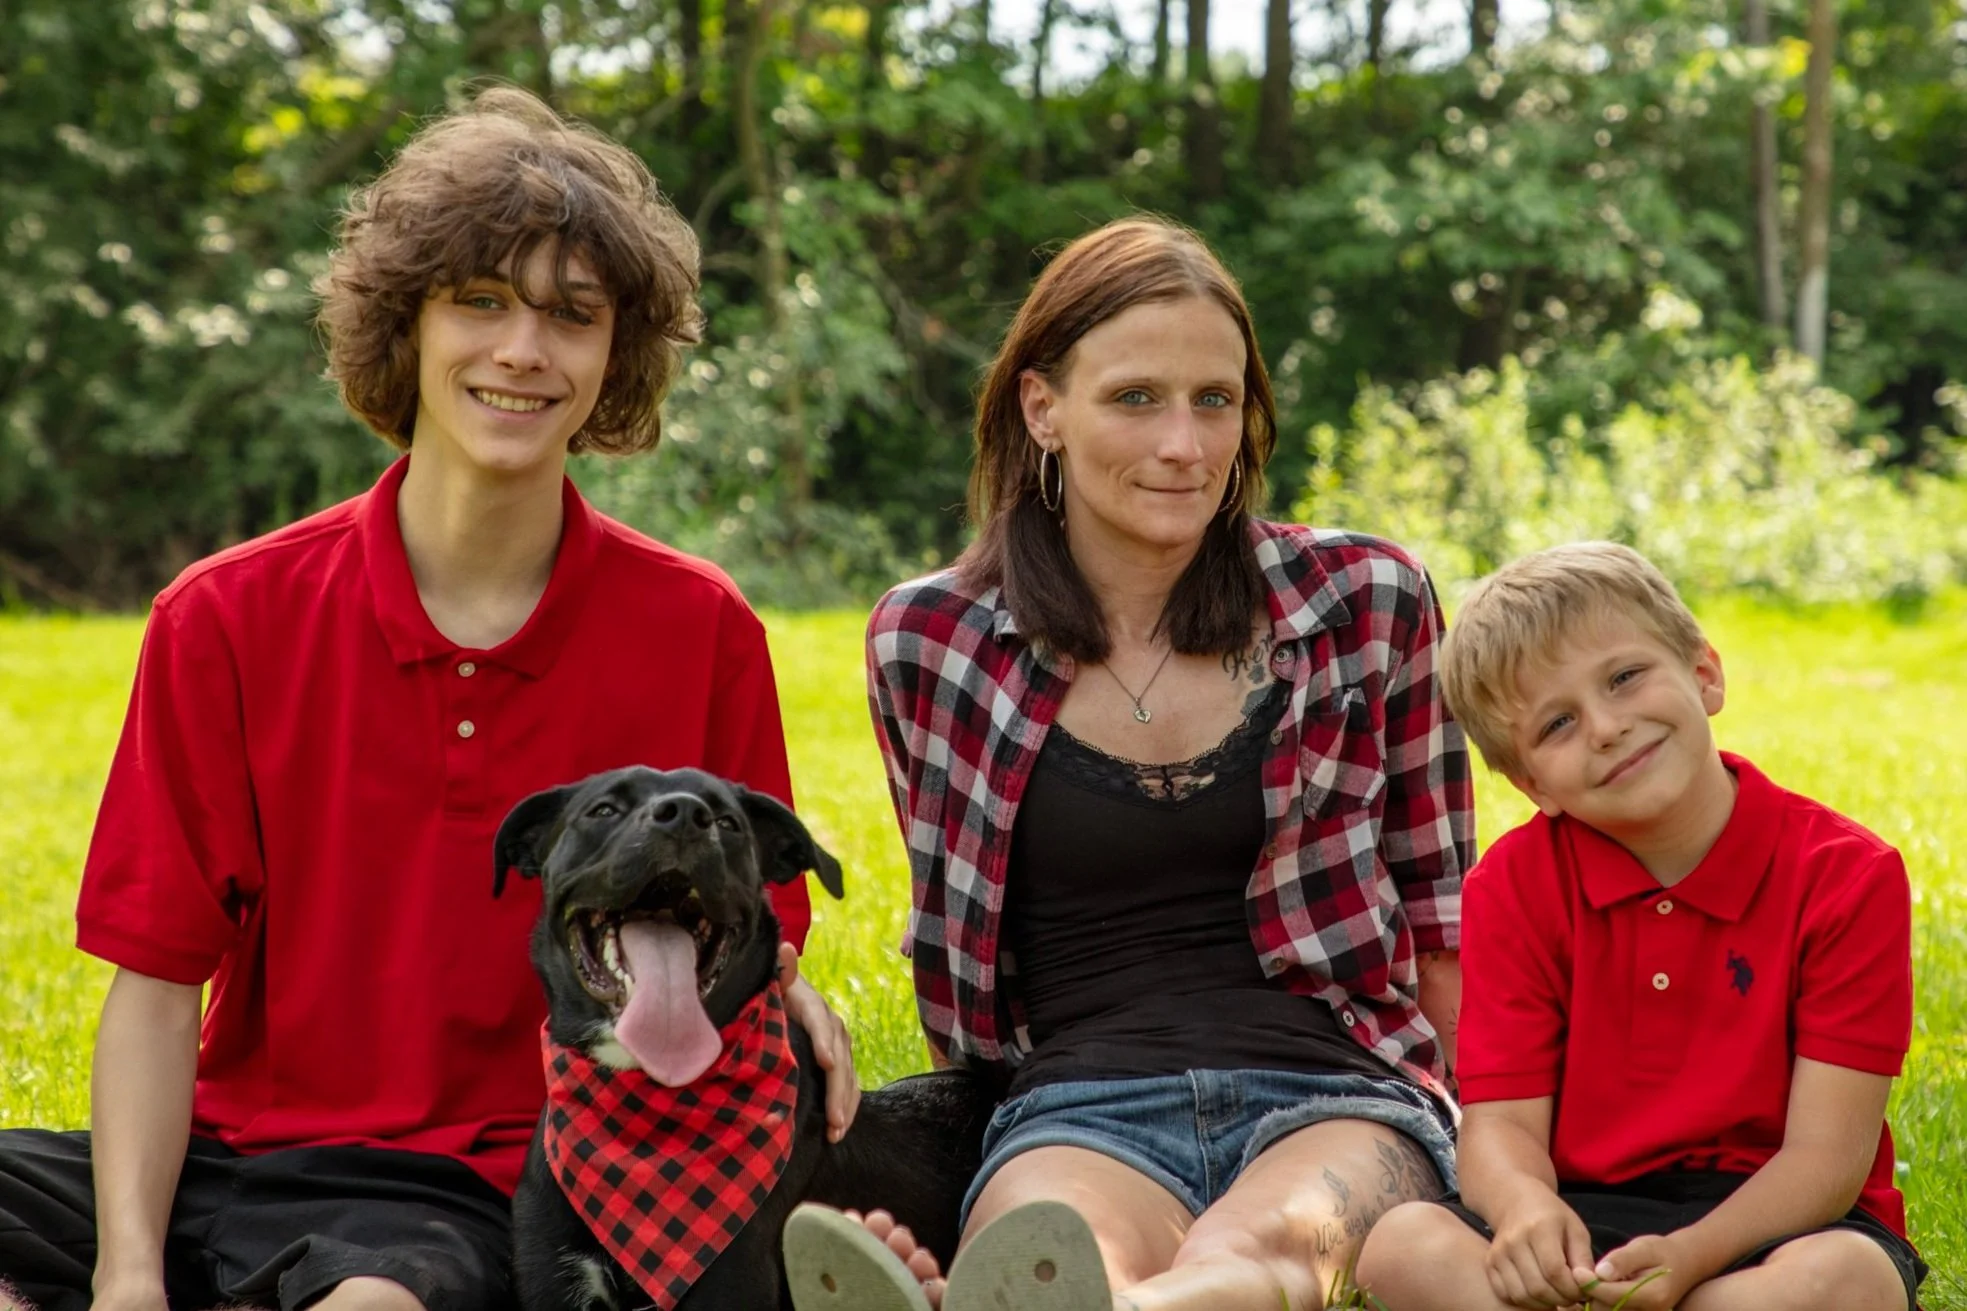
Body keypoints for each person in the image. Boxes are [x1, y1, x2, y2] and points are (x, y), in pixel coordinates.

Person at [0, 87, 856, 1311]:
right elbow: (154, 986)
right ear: (404, 323)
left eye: (571, 315)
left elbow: (745, 935)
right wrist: (126, 1276)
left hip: (452, 1189)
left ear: (616, 354)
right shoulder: (223, 616)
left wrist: (793, 991)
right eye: (480, 301)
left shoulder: (698, 628)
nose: (522, 350)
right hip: (220, 1156)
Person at [781, 217, 1472, 1311]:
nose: (1184, 445)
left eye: (1215, 400)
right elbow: (956, 938)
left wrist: (1498, 1154)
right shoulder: (930, 642)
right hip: (1077, 1108)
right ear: (1040, 408)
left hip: (1339, 1093)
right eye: (1136, 398)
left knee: (1258, 1255)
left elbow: (1441, 913)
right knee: (1046, 1258)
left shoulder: (1365, 601)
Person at [1354, 541, 1926, 1311]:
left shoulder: (1845, 874)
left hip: (1776, 1222)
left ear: (1704, 673)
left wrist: (1690, 1256)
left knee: (1846, 1281)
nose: (1605, 726)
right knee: (1401, 1245)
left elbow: (1825, 1159)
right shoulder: (1511, 887)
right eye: (1557, 723)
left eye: (1624, 677)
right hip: (1582, 1213)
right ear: (1530, 783)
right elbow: (1501, 1128)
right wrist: (1525, 1208)